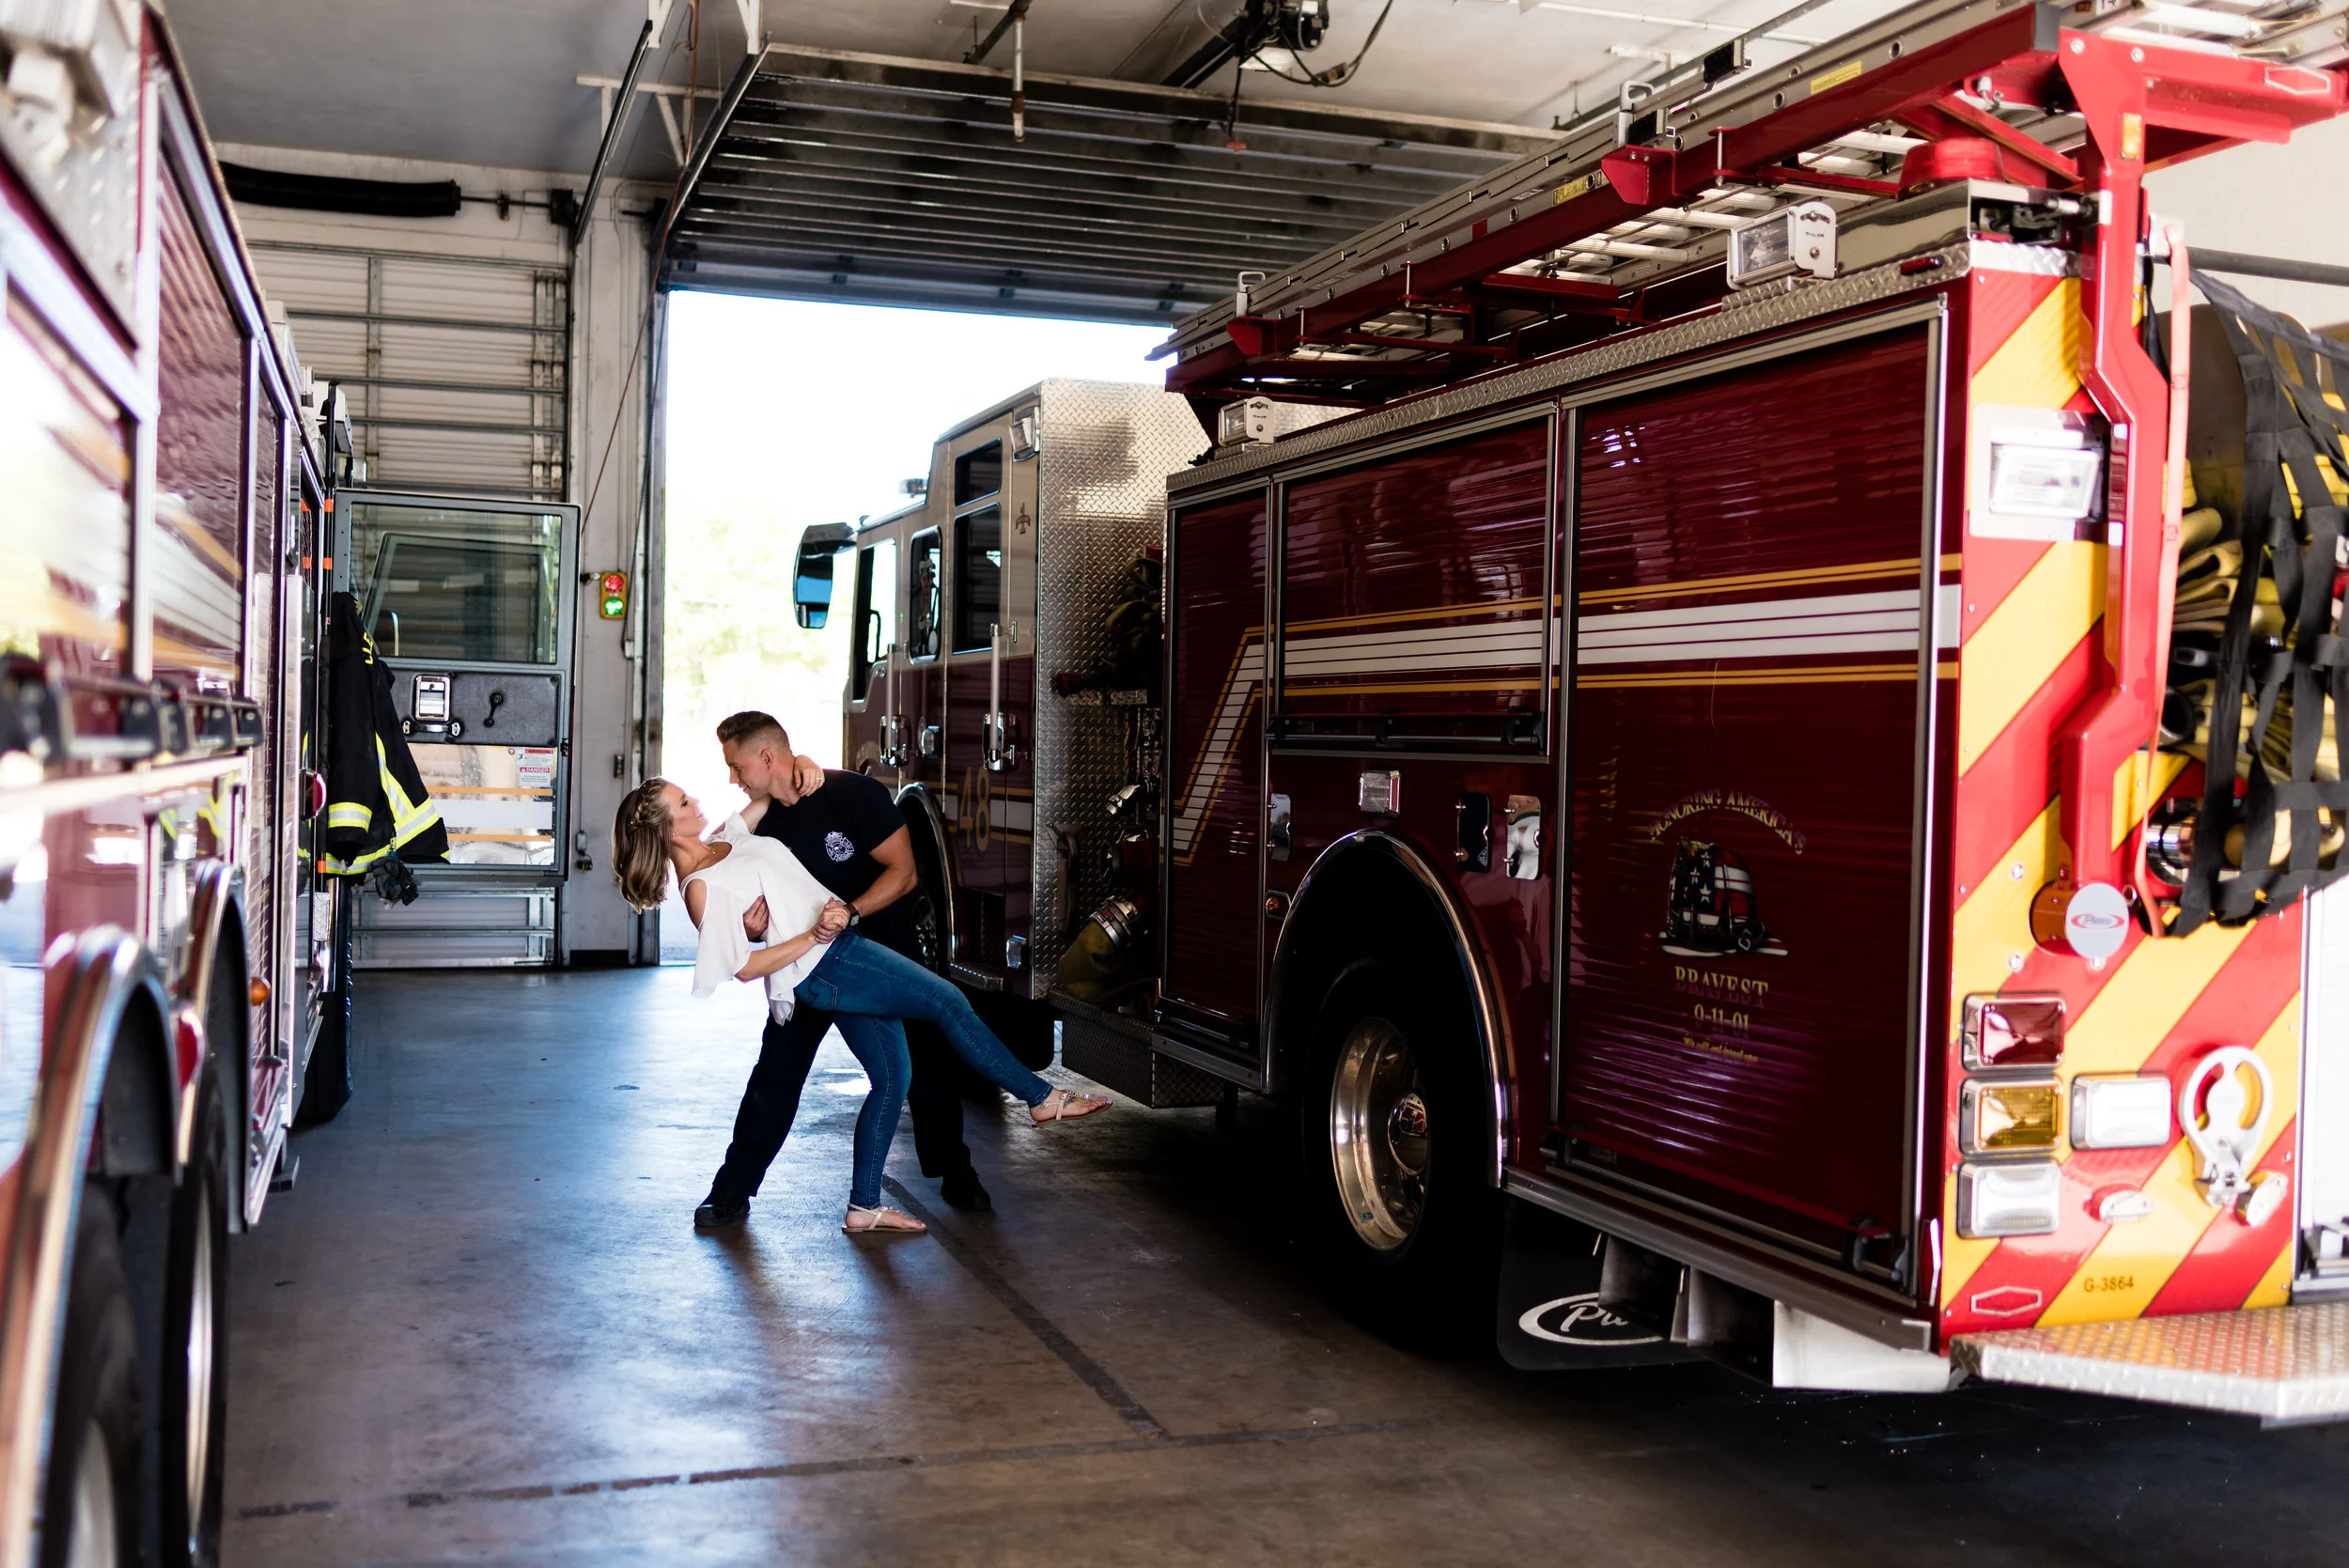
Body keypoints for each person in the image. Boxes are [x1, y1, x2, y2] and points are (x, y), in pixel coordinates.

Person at [612, 779, 1108, 1235]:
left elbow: (766, 791)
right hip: (829, 961)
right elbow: (743, 967)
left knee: (893, 1077)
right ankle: (1040, 1098)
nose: (694, 801)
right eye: (682, 803)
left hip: (832, 957)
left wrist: (805, 765)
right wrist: (810, 935)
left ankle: (864, 1207)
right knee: (946, 1000)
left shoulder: (727, 837)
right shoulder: (700, 886)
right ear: (665, 827)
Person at [698, 712, 992, 1228]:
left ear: (767, 758)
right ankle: (731, 1192)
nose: (732, 778)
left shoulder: (852, 795)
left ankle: (955, 1173)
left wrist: (851, 913)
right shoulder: (759, 822)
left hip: (882, 951)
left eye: (736, 765)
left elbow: (904, 876)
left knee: (925, 1063)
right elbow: (731, 907)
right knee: (775, 1076)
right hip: (809, 964)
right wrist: (749, 927)